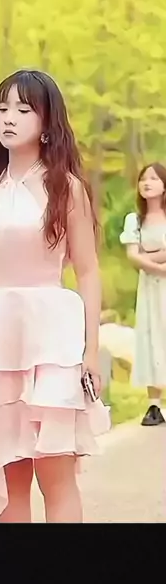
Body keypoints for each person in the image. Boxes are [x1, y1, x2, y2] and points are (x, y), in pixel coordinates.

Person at [0, 69, 110, 523]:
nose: (9, 118)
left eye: (23, 109)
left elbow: (88, 270)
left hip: (50, 342)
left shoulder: (65, 187)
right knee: (7, 481)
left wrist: (91, 351)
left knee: (56, 477)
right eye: (2, 108)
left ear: (47, 121)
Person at [120, 162, 166, 426]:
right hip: (149, 287)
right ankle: (154, 404)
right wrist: (157, 266)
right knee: (150, 335)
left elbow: (140, 255)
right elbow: (132, 256)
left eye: (154, 178)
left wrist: (147, 256)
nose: (147, 183)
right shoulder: (134, 220)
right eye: (144, 179)